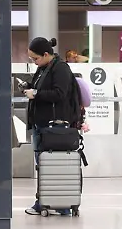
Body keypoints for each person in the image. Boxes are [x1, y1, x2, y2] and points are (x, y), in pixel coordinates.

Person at [23, 36, 80, 216]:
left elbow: (59, 93)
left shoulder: (60, 68)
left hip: (55, 126)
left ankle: (57, 202)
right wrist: (29, 87)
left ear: (46, 54)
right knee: (43, 164)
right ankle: (47, 200)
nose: (34, 62)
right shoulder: (44, 68)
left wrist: (36, 93)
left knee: (53, 164)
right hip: (42, 125)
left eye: (35, 58)